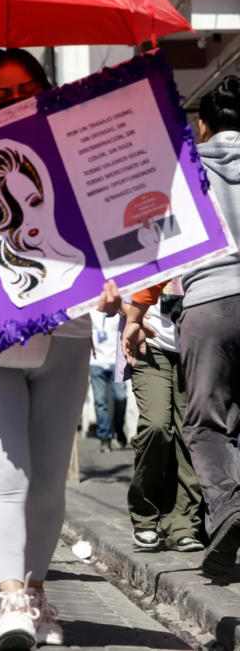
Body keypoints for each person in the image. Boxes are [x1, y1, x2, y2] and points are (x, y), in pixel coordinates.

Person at [0, 48, 122, 650]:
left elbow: (112, 233)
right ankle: (10, 599)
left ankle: (35, 591)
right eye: (0, 93)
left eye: (24, 87)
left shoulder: (81, 149)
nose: (13, 100)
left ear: (47, 87)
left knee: (48, 480)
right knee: (7, 472)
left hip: (66, 332)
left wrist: (117, 287)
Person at [124, 76, 240, 577]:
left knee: (207, 425)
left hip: (209, 304)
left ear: (203, 125)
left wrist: (135, 315)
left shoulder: (186, 171)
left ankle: (229, 512)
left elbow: (161, 249)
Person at [122, 296, 203, 552]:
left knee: (189, 435)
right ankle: (145, 516)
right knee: (156, 425)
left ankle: (182, 525)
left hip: (196, 345)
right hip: (150, 344)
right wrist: (129, 312)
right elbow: (107, 283)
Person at [90, 310, 128, 453]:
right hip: (95, 362)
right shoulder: (90, 311)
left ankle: (119, 428)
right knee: (100, 401)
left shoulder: (118, 309)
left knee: (121, 397)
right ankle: (104, 437)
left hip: (116, 361)